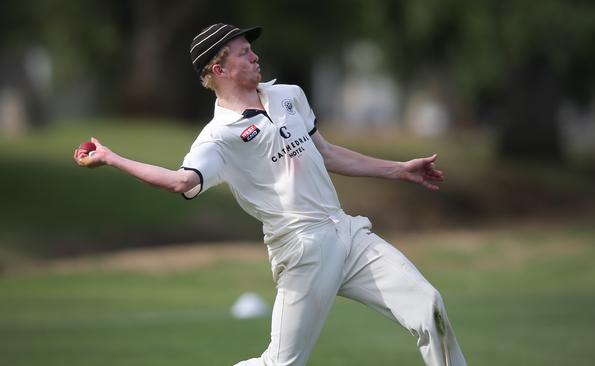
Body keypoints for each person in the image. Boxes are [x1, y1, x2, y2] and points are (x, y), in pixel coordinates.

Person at [73, 22, 467, 366]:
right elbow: (181, 182)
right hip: (301, 248)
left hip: (346, 233)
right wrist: (111, 158)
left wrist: (399, 169)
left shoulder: (288, 95)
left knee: (428, 307)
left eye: (252, 49)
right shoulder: (218, 137)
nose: (255, 57)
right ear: (219, 68)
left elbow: (325, 153)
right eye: (244, 54)